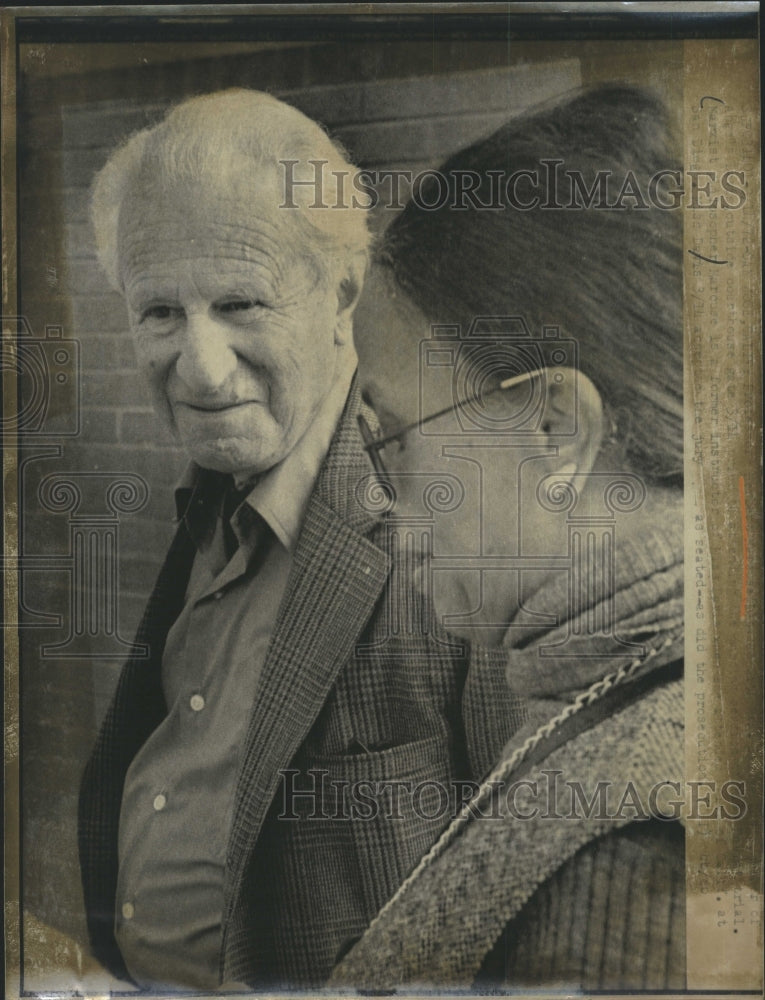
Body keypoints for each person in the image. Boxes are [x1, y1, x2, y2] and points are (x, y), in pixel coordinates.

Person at [77, 88, 526, 991]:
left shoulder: (461, 522)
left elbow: (529, 909)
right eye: (159, 312)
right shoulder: (219, 481)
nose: (199, 371)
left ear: (340, 297)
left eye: (241, 302)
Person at [338, 85, 685, 990]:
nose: (380, 500)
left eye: (392, 438)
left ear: (553, 427)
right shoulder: (624, 685)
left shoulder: (640, 853)